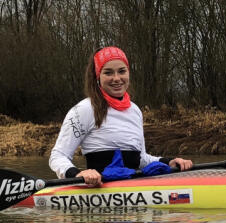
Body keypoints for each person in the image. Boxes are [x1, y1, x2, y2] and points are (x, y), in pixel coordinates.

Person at [49, 46, 193, 186]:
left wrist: (168, 162)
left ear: (128, 73)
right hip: (97, 189)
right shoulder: (84, 109)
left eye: (122, 71)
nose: (117, 78)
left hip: (133, 185)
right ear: (98, 77)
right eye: (108, 73)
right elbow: (58, 156)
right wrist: (77, 174)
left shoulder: (135, 111)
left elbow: (141, 158)